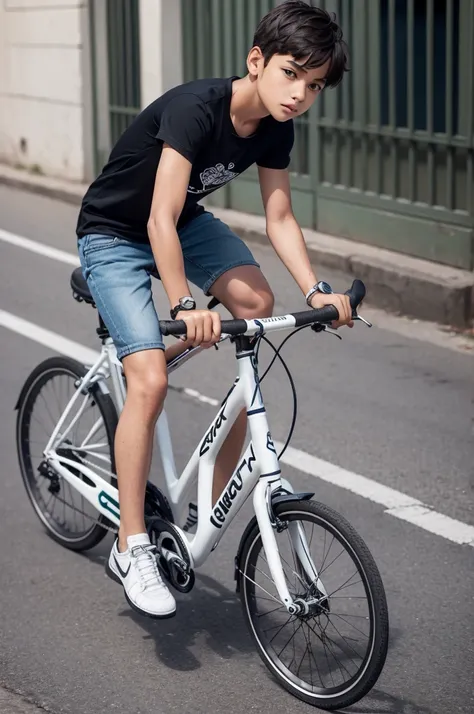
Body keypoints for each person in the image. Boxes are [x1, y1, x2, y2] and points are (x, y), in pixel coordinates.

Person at [76, 0, 352, 620]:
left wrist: (317, 292)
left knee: (255, 303)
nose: (299, 95)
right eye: (290, 75)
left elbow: (279, 217)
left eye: (313, 86)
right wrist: (181, 304)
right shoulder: (195, 108)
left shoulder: (278, 125)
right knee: (149, 381)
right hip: (114, 232)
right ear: (256, 61)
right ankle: (132, 546)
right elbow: (157, 216)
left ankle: (152, 368)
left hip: (183, 225)